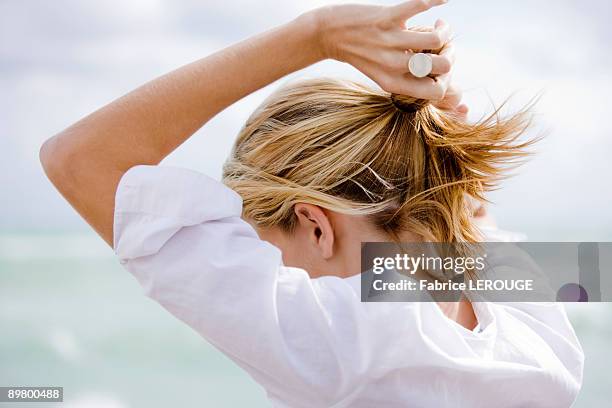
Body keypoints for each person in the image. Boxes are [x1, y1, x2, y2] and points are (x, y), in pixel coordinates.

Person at [40, 0, 584, 406]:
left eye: (267, 248)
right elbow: (472, 238)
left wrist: (315, 35)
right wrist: (436, 150)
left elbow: (75, 159)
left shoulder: (346, 348)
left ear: (315, 225)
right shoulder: (536, 316)